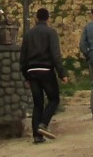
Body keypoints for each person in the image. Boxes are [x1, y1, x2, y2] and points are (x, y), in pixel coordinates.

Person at [19, 7, 65, 143]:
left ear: (36, 18)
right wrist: (62, 73)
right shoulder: (51, 33)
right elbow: (56, 55)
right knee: (54, 99)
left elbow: (23, 57)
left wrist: (25, 75)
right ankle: (43, 124)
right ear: (48, 19)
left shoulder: (28, 34)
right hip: (46, 71)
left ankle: (37, 136)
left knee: (37, 103)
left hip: (31, 72)